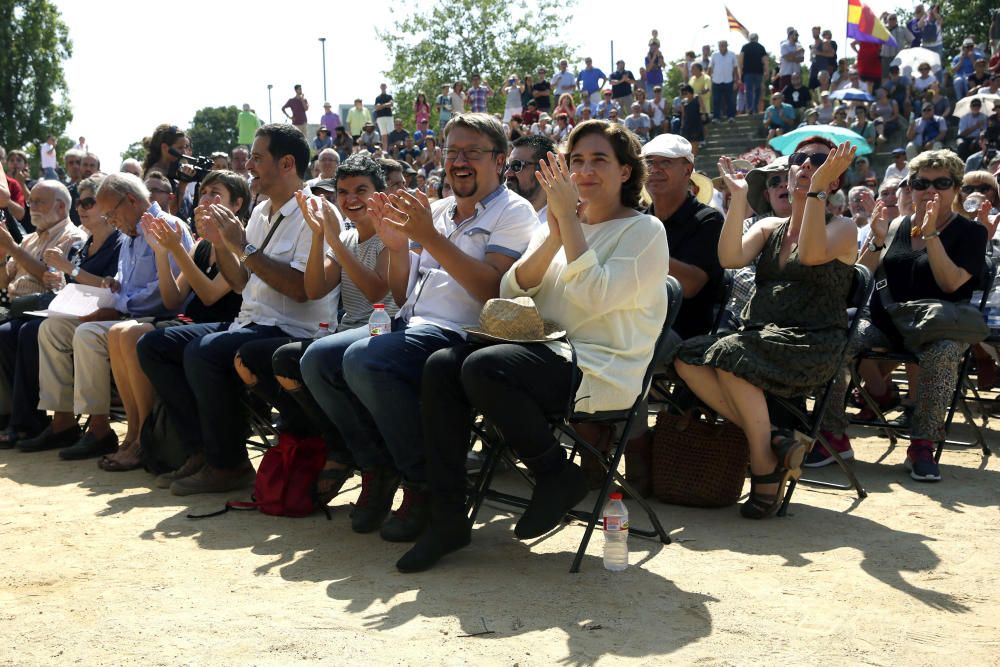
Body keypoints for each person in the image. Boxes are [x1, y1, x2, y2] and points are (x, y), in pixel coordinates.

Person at [396, 119, 668, 572]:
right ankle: (447, 519)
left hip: (600, 367)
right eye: (576, 160)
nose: (584, 170)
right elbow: (511, 289)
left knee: (483, 368)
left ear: (625, 172)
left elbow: (594, 295)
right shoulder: (557, 226)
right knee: (443, 366)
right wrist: (556, 237)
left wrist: (567, 227)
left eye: (599, 159)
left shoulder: (644, 232)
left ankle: (553, 473)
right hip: (545, 352)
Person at [299, 113, 537, 542]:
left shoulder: (515, 212)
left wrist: (427, 236)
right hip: (410, 322)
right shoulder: (438, 209)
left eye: (473, 152)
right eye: (452, 152)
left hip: (463, 332)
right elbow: (399, 291)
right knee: (318, 360)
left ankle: (422, 483)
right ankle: (378, 464)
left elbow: (491, 291)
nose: (459, 161)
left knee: (364, 360)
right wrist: (396, 247)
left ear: (499, 161)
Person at [135, 124, 332, 495]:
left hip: (293, 328)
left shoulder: (314, 211)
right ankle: (202, 452)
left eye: (258, 158)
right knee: (154, 345)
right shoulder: (259, 211)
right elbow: (242, 282)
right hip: (251, 322)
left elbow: (301, 290)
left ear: (287, 163)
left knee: (203, 352)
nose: (250, 166)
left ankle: (229, 465)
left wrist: (243, 246)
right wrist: (223, 244)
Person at [674, 137, 858, 518]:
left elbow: (809, 255)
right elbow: (728, 258)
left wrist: (817, 192)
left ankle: (761, 462)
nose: (807, 166)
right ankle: (775, 442)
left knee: (728, 354)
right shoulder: (770, 225)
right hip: (759, 337)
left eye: (820, 162)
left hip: (812, 344)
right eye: (800, 160)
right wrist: (739, 198)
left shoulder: (843, 228)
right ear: (786, 175)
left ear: (835, 179)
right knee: (687, 355)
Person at [235, 154, 400, 503]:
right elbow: (314, 288)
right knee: (273, 359)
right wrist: (316, 236)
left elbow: (376, 292)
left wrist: (335, 241)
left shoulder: (390, 236)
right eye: (343, 191)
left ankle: (368, 460)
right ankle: (336, 442)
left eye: (361, 190)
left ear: (379, 193)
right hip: (345, 334)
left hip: (383, 332)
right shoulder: (347, 238)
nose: (351, 199)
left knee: (313, 359)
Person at [818, 150, 986, 482]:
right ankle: (833, 434)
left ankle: (922, 444)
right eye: (921, 182)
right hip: (887, 322)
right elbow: (860, 278)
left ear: (956, 189)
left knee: (943, 354)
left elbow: (950, 282)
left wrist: (932, 233)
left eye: (942, 183)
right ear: (910, 186)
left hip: (940, 325)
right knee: (835, 341)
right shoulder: (896, 224)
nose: (930, 190)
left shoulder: (971, 233)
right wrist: (878, 241)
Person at [18, 173, 193, 459]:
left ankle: (100, 429)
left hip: (153, 319)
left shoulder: (168, 227)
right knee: (52, 328)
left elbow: (166, 293)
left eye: (111, 213)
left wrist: (118, 302)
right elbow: (125, 283)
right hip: (122, 314)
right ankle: (63, 421)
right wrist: (113, 285)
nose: (110, 221)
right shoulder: (128, 237)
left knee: (88, 334)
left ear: (132, 201)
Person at [99, 171, 248, 471]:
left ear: (238, 204)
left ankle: (146, 437)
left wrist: (177, 249)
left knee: (133, 335)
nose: (206, 199)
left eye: (216, 193)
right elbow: (173, 299)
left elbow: (208, 297)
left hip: (225, 325)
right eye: (203, 193)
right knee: (118, 332)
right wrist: (160, 253)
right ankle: (133, 432)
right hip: (190, 322)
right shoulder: (201, 246)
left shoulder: (243, 244)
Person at [0, 174, 123, 449]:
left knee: (30, 331)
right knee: (12, 331)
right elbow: (59, 283)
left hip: (96, 314)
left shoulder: (88, 239)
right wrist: (3, 255)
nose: (81, 208)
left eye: (89, 202)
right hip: (61, 310)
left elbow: (111, 287)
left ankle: (36, 422)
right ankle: (24, 419)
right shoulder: (82, 244)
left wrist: (15, 249)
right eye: (80, 202)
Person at [642, 133, 723, 345]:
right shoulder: (639, 220)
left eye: (665, 162)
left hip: (681, 332)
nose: (655, 169)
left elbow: (689, 285)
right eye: (649, 162)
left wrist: (639, 248)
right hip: (638, 322)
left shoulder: (709, 220)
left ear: (687, 170)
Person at [506, 134, 554, 222]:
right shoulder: (502, 214)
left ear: (546, 171)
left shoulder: (563, 223)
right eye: (507, 166)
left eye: (516, 165)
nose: (507, 173)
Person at [709, 40, 739, 122]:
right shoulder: (714, 55)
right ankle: (716, 117)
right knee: (716, 100)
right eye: (720, 45)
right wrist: (708, 80)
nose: (722, 47)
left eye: (723, 45)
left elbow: (736, 68)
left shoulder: (732, 54)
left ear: (726, 46)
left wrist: (737, 81)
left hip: (729, 81)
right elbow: (710, 68)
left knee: (730, 100)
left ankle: (731, 117)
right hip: (716, 81)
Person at [739, 33, 768, 115]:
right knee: (757, 90)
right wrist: (766, 71)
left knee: (748, 91)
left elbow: (740, 60)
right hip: (758, 72)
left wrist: (740, 71)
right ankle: (755, 108)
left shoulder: (745, 47)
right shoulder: (761, 47)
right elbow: (765, 60)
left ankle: (750, 108)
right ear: (757, 38)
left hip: (747, 72)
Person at [678, 85, 704, 153]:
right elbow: (683, 115)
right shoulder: (683, 102)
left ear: (690, 92)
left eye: (685, 93)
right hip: (687, 125)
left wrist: (704, 115)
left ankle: (694, 159)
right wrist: (682, 125)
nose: (684, 95)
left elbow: (703, 108)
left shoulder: (697, 98)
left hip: (696, 124)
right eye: (682, 94)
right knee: (687, 145)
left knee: (695, 144)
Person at [374, 83, 395, 151]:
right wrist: (385, 105)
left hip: (389, 117)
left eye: (384, 86)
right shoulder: (378, 98)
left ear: (386, 87)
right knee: (383, 135)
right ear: (380, 87)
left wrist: (382, 106)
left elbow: (391, 104)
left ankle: (392, 150)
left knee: (391, 134)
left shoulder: (389, 96)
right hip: (380, 117)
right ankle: (384, 151)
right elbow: (377, 107)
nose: (383, 87)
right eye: (382, 86)